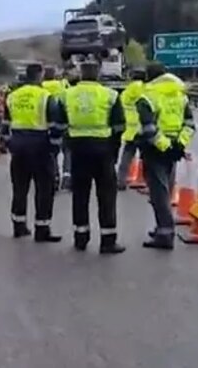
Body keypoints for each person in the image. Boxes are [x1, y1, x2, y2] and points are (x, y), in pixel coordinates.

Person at [63, 61, 126, 253]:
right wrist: (114, 152)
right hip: (103, 150)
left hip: (78, 150)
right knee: (106, 196)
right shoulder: (110, 95)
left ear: (81, 74)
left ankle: (80, 238)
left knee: (80, 195)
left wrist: (69, 146)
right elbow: (119, 127)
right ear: (98, 74)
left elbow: (61, 124)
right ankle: (108, 241)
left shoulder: (67, 95)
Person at [138, 62, 195, 250]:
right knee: (167, 189)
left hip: (156, 148)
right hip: (174, 147)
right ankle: (162, 227)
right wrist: (179, 144)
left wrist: (165, 146)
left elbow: (149, 128)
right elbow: (189, 124)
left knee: (159, 192)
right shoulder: (180, 95)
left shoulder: (147, 97)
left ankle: (165, 232)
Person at [4, 63, 63, 242]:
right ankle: (42, 229)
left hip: (19, 148)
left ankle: (18, 226)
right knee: (44, 189)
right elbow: (55, 126)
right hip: (41, 148)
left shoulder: (12, 96)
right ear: (40, 75)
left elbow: (5, 126)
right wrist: (54, 148)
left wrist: (10, 145)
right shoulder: (46, 97)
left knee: (19, 188)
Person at [116, 67, 146, 190]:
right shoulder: (147, 89)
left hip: (131, 129)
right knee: (147, 158)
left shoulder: (127, 92)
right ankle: (146, 182)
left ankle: (120, 181)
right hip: (145, 128)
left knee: (127, 156)